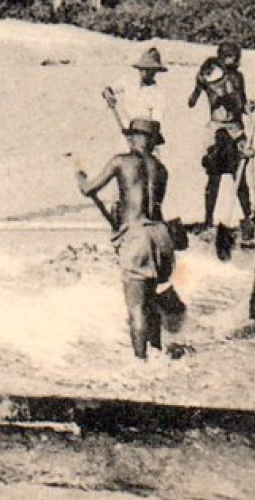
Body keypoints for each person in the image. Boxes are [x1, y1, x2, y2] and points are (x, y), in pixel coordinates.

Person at [76, 118, 181, 361]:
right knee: (151, 302)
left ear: (133, 137)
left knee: (136, 308)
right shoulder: (161, 169)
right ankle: (156, 355)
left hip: (137, 236)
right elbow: (152, 205)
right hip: (161, 236)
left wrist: (80, 175)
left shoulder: (121, 161)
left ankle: (141, 366)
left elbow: (89, 189)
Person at [187, 41, 254, 236]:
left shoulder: (236, 78)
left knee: (239, 176)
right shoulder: (209, 75)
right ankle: (208, 219)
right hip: (216, 130)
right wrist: (203, 85)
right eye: (230, 57)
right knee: (213, 177)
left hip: (234, 130)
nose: (234, 61)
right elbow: (192, 100)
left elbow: (241, 104)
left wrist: (231, 96)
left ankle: (248, 217)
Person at [103, 46, 170, 131]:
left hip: (143, 134)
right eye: (143, 69)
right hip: (122, 129)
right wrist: (108, 95)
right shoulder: (127, 81)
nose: (145, 72)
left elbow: (156, 122)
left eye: (149, 70)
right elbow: (108, 89)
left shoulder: (158, 93)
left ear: (155, 71)